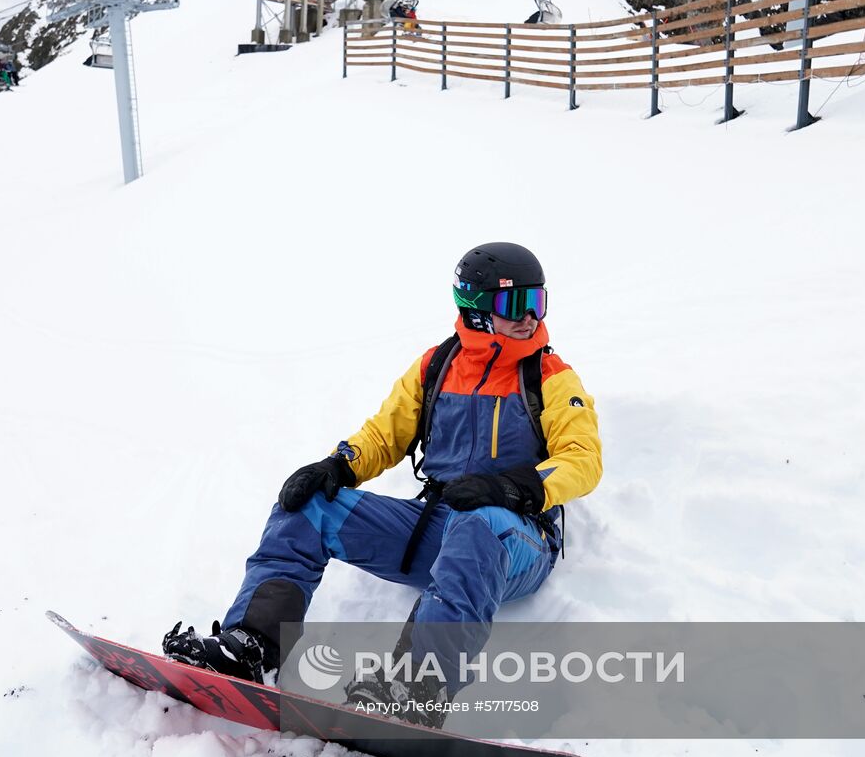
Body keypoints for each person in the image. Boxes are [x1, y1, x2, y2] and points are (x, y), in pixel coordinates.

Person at [164, 243, 603, 726]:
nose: (530, 318)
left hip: (514, 541)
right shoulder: (435, 367)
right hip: (440, 529)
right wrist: (337, 467)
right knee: (309, 506)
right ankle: (251, 644)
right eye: (514, 305)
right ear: (476, 310)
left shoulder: (551, 377)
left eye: (537, 302)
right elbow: (383, 436)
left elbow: (583, 459)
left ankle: (419, 684)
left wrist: (512, 489)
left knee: (479, 524)